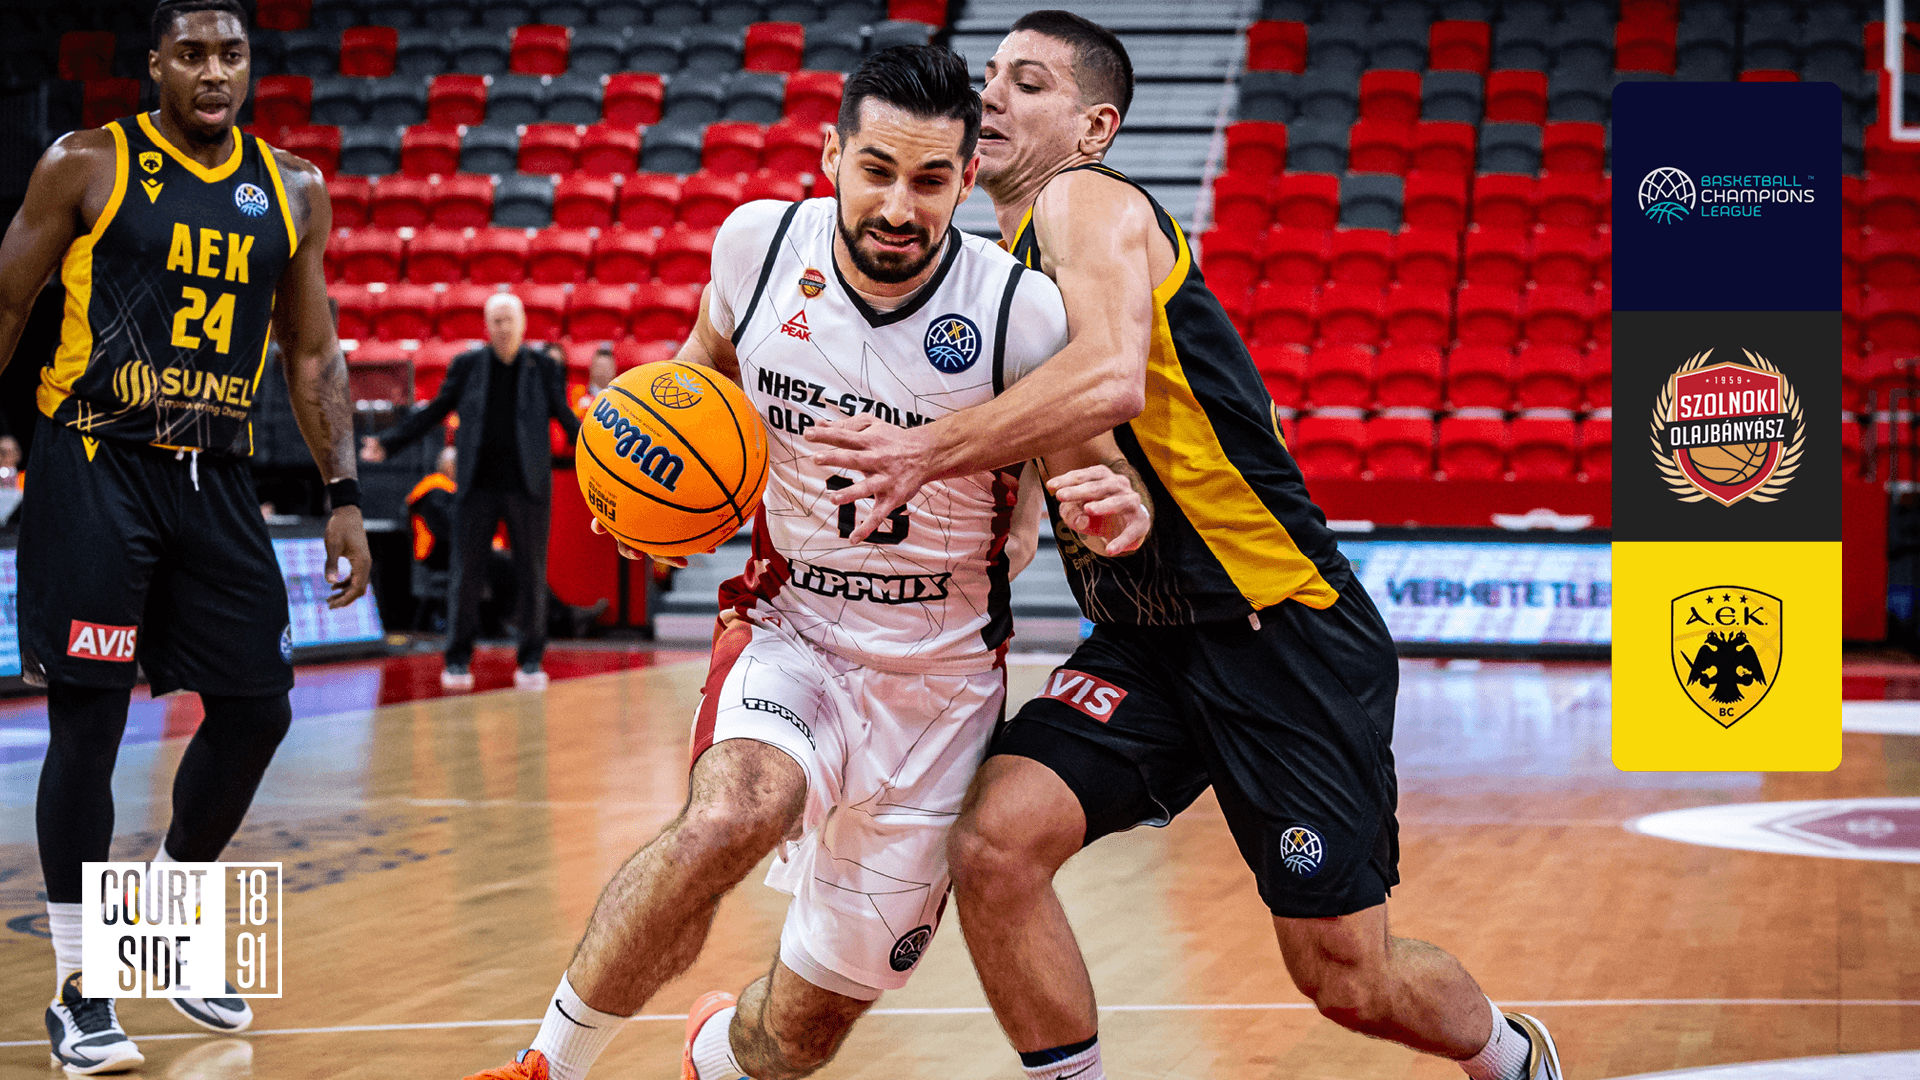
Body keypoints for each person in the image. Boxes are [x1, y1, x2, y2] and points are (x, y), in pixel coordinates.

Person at [807, 12, 1564, 1080]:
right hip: (1146, 637)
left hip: (1278, 630)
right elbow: (1060, 418)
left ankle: (1512, 1060)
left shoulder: (1085, 199)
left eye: (1029, 82)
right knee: (993, 845)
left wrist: (921, 453)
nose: (992, 95)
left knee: (1347, 977)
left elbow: (1109, 377)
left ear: (1095, 127)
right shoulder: (998, 274)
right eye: (990, 73)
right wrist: (1019, 517)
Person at [462, 44, 1150, 1080]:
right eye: (877, 170)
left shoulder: (1021, 310)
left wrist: (1110, 510)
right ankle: (546, 1064)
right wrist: (637, 482)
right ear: (831, 154)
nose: (900, 207)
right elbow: (695, 381)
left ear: (968, 178)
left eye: (930, 180)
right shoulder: (756, 246)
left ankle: (713, 1053)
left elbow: (1089, 477)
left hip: (940, 686)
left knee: (794, 1040)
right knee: (732, 814)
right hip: (793, 632)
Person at [0, 0, 372, 1070]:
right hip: (93, 461)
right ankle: (83, 991)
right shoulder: (86, 164)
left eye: (232, 54)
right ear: (155, 65)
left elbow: (311, 353)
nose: (215, 72)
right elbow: (8, 309)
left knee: (258, 705)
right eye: (193, 54)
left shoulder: (292, 189)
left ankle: (162, 919)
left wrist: (344, 493)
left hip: (216, 470)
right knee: (90, 719)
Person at [362, 291, 580, 690]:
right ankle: (458, 659)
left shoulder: (544, 367)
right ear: (487, 326)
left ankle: (531, 660)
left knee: (532, 573)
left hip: (528, 487)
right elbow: (435, 410)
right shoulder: (467, 366)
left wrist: (599, 455)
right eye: (496, 320)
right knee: (466, 574)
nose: (503, 327)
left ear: (522, 324)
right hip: (476, 486)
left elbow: (567, 418)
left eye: (509, 319)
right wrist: (389, 442)